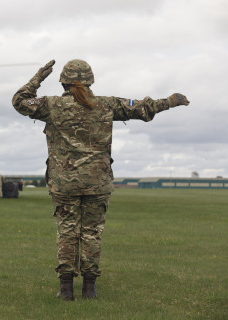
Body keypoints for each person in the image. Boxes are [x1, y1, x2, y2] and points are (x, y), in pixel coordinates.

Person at [11, 59, 190, 301]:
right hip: (98, 182)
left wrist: (38, 77)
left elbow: (19, 101)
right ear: (90, 81)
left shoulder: (51, 105)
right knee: (92, 233)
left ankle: (65, 291)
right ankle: (89, 289)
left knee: (67, 232)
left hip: (64, 183)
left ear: (63, 81)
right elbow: (142, 108)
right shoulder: (106, 104)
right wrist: (169, 102)